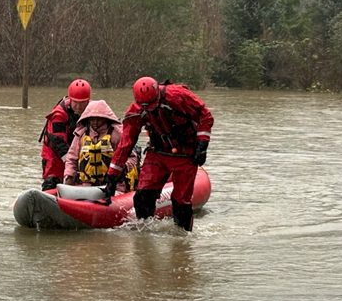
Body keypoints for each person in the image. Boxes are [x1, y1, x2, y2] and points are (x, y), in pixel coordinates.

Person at [104, 77, 213, 231]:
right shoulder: (136, 112)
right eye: (146, 107)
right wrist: (112, 176)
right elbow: (126, 144)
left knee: (181, 201)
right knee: (143, 195)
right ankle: (144, 236)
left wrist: (202, 145)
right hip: (158, 153)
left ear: (158, 95)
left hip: (185, 153)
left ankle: (183, 239)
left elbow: (205, 115)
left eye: (153, 105)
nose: (150, 109)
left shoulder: (178, 95)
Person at [63, 99, 139, 193]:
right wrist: (69, 176)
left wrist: (122, 169)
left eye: (98, 119)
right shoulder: (81, 135)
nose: (95, 122)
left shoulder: (116, 134)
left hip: (114, 186)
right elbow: (71, 159)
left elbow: (132, 157)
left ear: (106, 118)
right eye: (92, 119)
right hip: (87, 186)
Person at [39, 78, 92, 191]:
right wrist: (71, 163)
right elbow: (57, 141)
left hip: (79, 153)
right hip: (55, 156)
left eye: (82, 103)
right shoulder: (59, 115)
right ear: (70, 100)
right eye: (75, 103)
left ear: (88, 101)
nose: (78, 106)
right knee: (52, 180)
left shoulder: (94, 111)